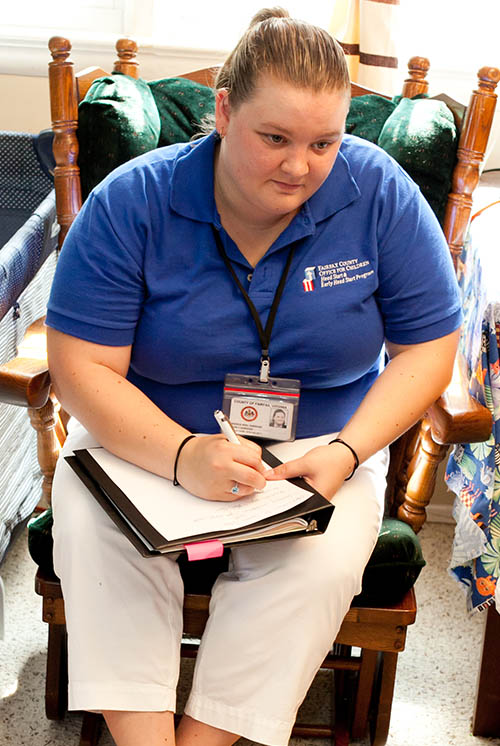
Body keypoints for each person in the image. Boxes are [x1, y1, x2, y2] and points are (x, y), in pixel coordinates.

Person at [46, 7, 462, 746]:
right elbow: (80, 369)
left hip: (320, 448)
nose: (300, 166)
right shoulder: (132, 203)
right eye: (275, 138)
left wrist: (344, 454)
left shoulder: (380, 195)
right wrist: (181, 455)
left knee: (316, 562)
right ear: (224, 111)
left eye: (324, 142)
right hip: (141, 443)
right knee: (98, 533)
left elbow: (430, 347)